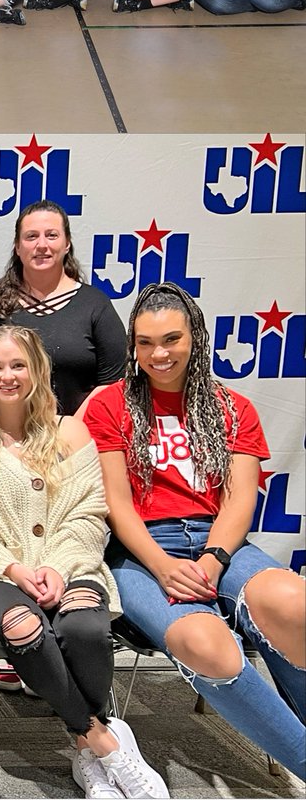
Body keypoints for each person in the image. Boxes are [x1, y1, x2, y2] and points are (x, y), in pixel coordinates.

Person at [0, 326, 168, 800]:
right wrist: (15, 569)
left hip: (70, 563)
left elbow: (89, 513)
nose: (7, 376)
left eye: (18, 365)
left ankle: (89, 761)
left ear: (38, 370)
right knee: (24, 626)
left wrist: (59, 567)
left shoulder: (69, 430)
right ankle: (104, 743)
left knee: (83, 627)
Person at [87, 283, 306, 779]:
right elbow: (116, 506)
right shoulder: (111, 406)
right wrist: (163, 567)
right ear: (132, 347)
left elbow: (240, 499)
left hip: (219, 542)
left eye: (171, 339)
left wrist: (213, 559)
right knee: (205, 643)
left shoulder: (233, 408)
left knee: (294, 601)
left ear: (196, 338)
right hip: (140, 550)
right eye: (145, 343)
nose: (158, 354)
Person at [0, 200, 126, 415]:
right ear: (17, 247)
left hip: (76, 439)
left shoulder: (95, 306)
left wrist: (71, 428)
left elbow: (112, 382)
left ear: (67, 243)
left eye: (52, 235)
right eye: (31, 236)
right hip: (3, 441)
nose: (41, 245)